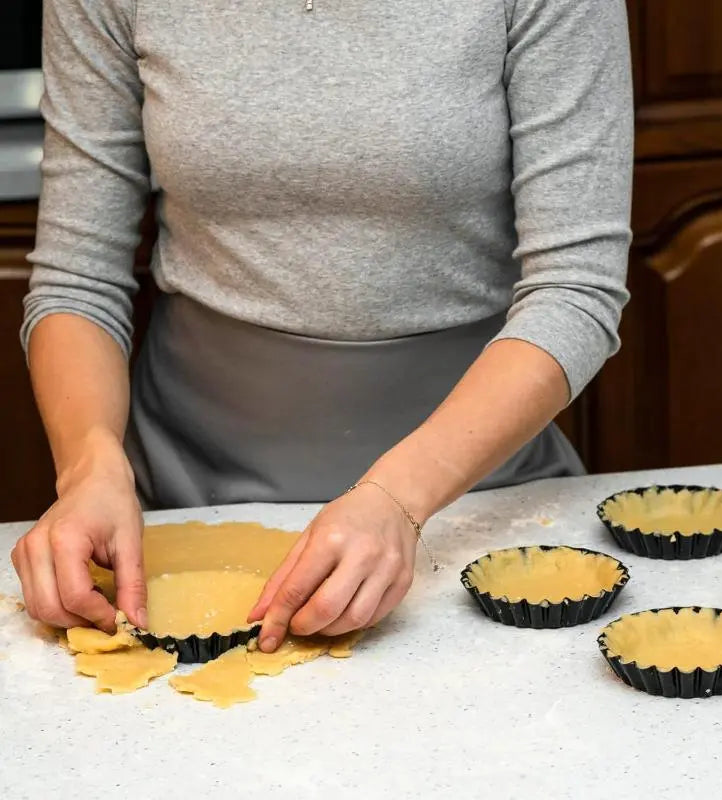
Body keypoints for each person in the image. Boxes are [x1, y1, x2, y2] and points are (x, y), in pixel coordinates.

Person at [11, 0, 633, 653]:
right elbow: (78, 279)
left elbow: (575, 285)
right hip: (185, 494)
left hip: (472, 502)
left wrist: (400, 497)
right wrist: (87, 468)